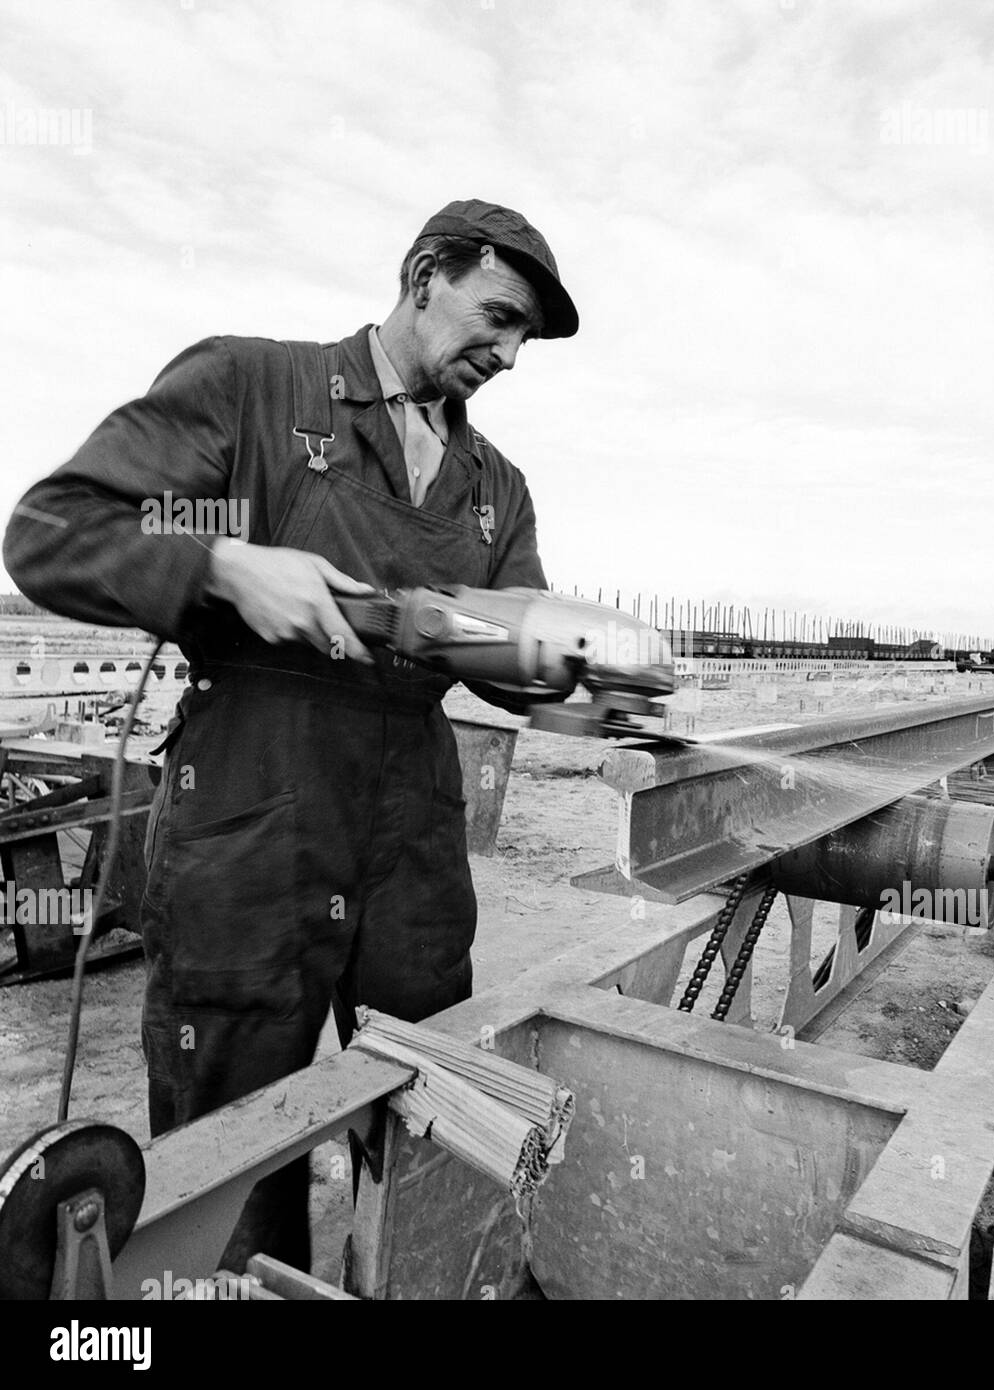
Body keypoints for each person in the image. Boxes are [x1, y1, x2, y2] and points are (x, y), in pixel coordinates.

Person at [3, 198, 578, 1273]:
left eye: (522, 341)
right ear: (422, 278)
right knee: (235, 1150)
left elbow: (520, 660)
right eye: (496, 319)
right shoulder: (251, 391)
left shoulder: (495, 491)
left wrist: (586, 679)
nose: (506, 354)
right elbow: (50, 530)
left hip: (410, 830)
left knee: (429, 1108)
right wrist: (222, 565)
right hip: (251, 817)